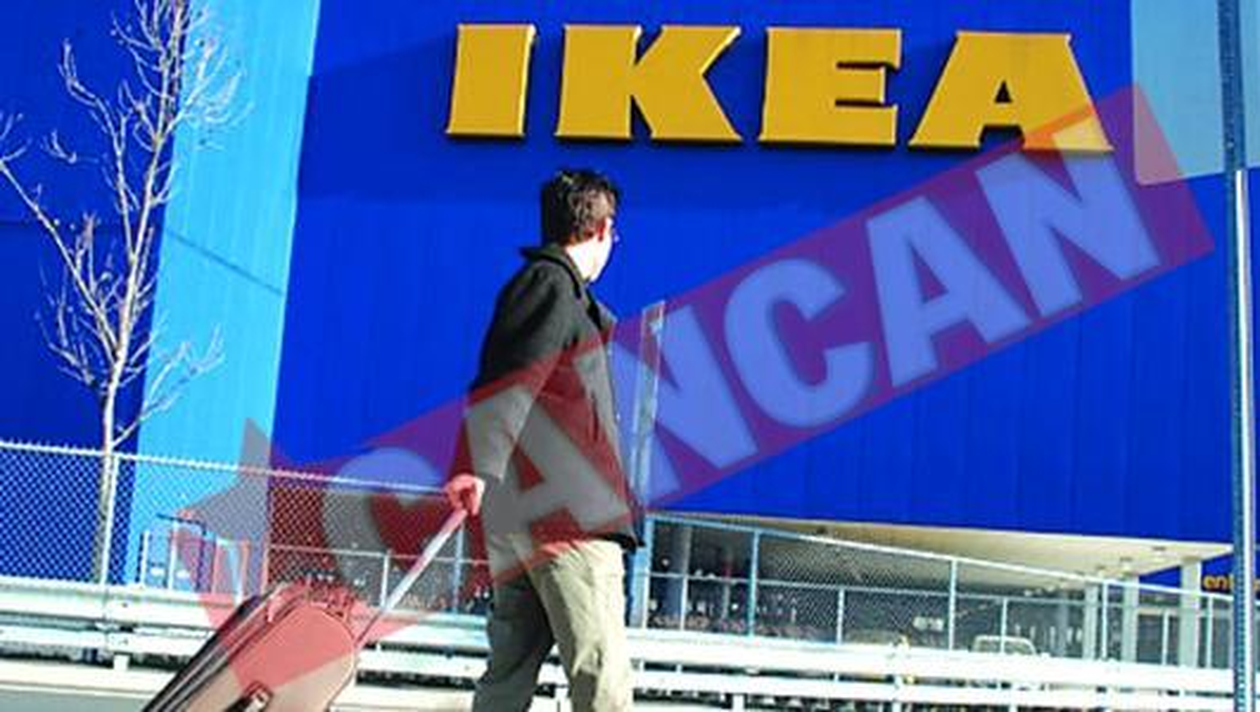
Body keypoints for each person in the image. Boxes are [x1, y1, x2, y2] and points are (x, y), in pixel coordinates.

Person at [445, 168, 637, 712]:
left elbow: (507, 378)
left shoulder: (555, 293)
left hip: (525, 516)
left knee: (508, 678)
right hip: (568, 517)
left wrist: (479, 465)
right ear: (603, 229)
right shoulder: (550, 286)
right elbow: (511, 378)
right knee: (601, 679)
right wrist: (477, 465)